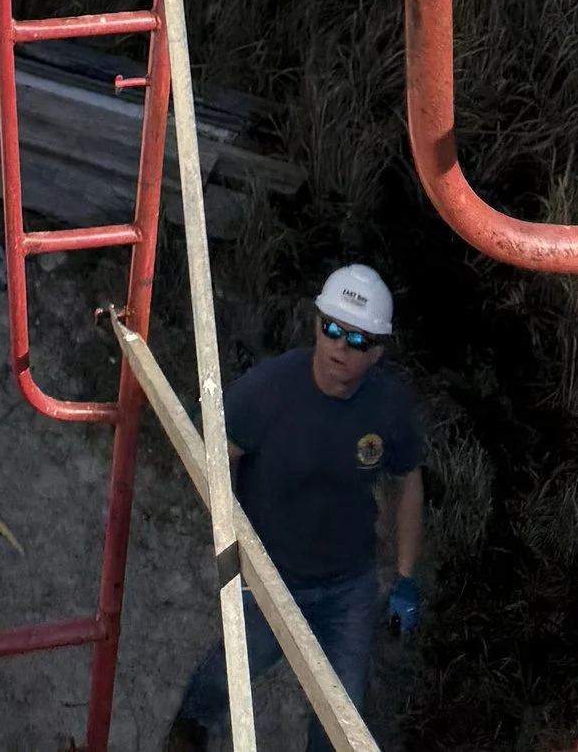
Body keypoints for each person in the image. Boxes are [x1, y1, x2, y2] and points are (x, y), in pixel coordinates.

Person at [165, 263, 425, 747]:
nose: (340, 348)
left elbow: (407, 479)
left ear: (377, 353)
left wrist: (406, 575)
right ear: (316, 325)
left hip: (348, 588)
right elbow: (210, 456)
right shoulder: (268, 391)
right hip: (270, 580)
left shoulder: (388, 407)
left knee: (339, 721)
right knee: (224, 679)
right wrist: (229, 538)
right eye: (332, 329)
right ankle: (188, 734)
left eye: (358, 341)